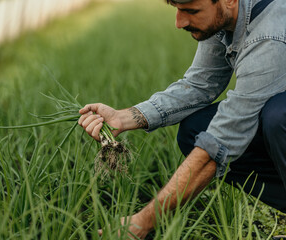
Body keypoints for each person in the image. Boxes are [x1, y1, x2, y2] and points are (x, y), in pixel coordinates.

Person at [78, 0, 286, 238]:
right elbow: (199, 85)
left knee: (278, 116)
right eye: (177, 9)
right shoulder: (226, 17)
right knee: (195, 129)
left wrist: (143, 222)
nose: (179, 22)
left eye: (191, 11)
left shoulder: (269, 35)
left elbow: (222, 140)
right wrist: (123, 117)